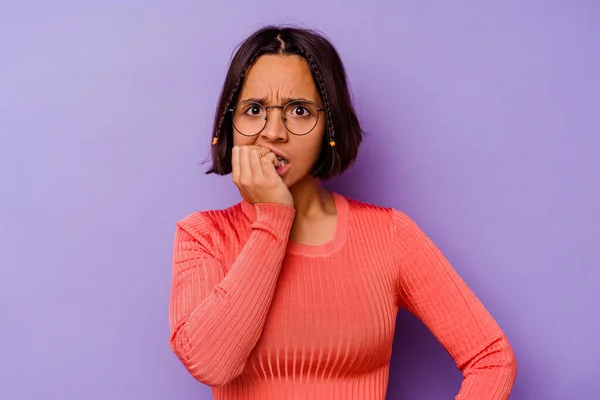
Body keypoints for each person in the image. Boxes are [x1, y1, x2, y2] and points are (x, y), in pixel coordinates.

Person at [168, 25, 517, 399]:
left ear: (330, 126)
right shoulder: (204, 236)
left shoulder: (390, 236)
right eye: (254, 110)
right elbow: (210, 364)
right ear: (229, 124)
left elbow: (491, 358)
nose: (273, 132)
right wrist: (273, 219)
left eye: (298, 111)